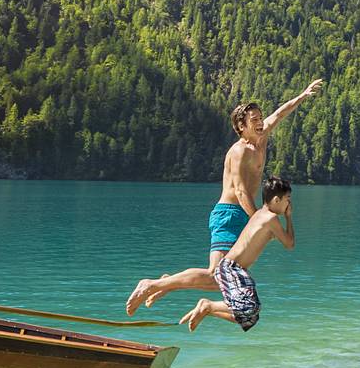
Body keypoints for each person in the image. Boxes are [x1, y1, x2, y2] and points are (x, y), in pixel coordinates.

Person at [126, 79, 322, 315]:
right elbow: (240, 191)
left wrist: (303, 94)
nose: (261, 122)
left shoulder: (261, 136)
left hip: (243, 215)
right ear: (241, 126)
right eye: (254, 120)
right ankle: (152, 284)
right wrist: (258, 221)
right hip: (229, 214)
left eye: (261, 117)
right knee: (215, 275)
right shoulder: (238, 152)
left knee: (221, 279)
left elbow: (280, 113)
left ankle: (167, 283)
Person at [180, 176, 294, 331]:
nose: (289, 204)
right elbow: (289, 244)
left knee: (250, 318)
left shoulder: (260, 215)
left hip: (234, 269)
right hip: (231, 268)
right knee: (249, 308)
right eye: (288, 199)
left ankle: (209, 309)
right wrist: (288, 218)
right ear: (276, 200)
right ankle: (208, 305)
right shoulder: (270, 218)